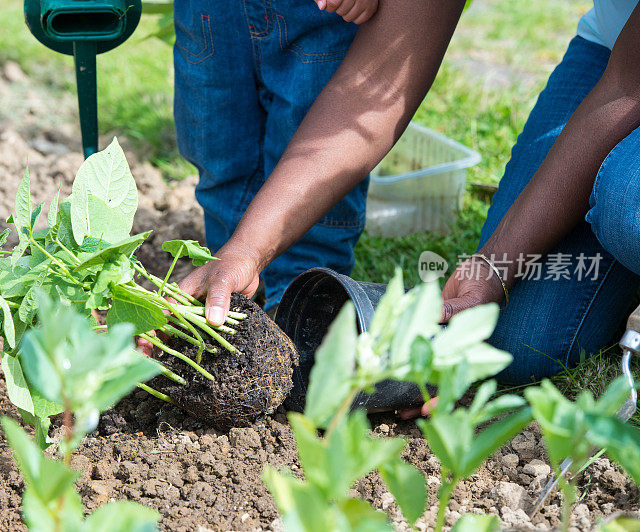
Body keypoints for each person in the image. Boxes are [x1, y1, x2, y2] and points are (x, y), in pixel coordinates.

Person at [180, 0, 640, 391]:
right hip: (616, 53)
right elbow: (377, 83)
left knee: (628, 206)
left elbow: (630, 90)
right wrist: (246, 249)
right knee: (520, 345)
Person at [174, 0, 467, 325]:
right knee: (221, 153)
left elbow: (369, 93)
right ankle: (231, 295)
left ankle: (300, 310)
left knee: (308, 145)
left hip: (318, 12)